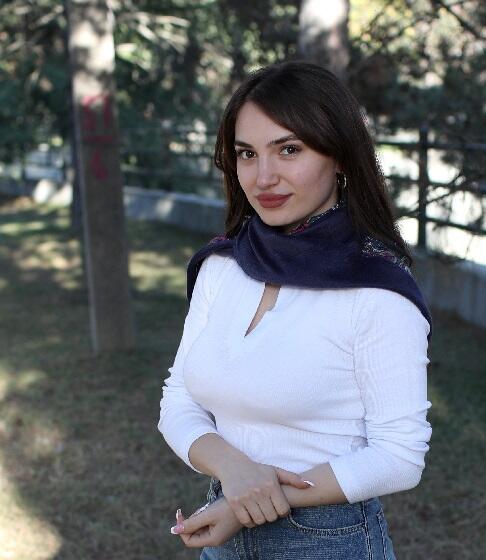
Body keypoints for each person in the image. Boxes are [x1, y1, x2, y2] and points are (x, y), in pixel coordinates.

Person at [157, 61, 433, 560]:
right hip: (224, 530)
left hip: (330, 541)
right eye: (247, 154)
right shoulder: (223, 265)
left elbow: (400, 455)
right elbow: (179, 399)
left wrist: (251, 501)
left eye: (289, 149)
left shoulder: (376, 288)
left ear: (341, 156)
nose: (264, 177)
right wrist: (232, 470)